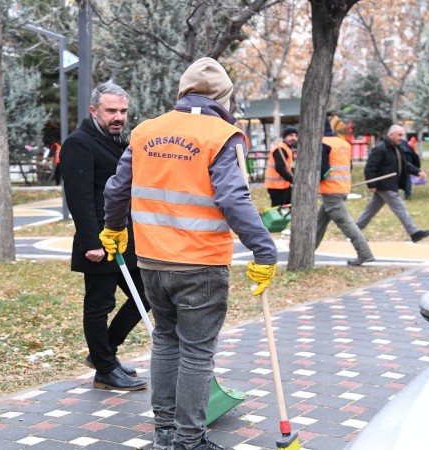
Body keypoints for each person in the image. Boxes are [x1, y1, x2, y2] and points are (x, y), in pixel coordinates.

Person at [99, 57, 278, 450]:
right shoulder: (222, 134)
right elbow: (233, 198)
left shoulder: (146, 131)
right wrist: (264, 250)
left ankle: (165, 431)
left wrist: (113, 228)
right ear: (224, 96)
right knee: (196, 352)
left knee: (165, 340)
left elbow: (116, 190)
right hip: (200, 263)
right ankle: (189, 440)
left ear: (182, 92)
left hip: (152, 261)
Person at [59, 82, 149, 391]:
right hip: (98, 238)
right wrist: (91, 243)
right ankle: (105, 369)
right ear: (94, 110)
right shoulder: (78, 144)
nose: (118, 117)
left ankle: (104, 353)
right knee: (99, 304)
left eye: (123, 111)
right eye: (111, 110)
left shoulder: (118, 141)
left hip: (124, 236)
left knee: (146, 293)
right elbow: (79, 198)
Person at [356, 125, 429, 243]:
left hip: (390, 184)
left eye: (402, 135)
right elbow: (370, 168)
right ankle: (414, 232)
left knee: (371, 210)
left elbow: (404, 164)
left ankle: (354, 231)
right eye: (399, 135)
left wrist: (417, 171)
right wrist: (372, 185)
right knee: (400, 208)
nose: (401, 138)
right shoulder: (380, 148)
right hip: (384, 185)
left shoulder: (397, 148)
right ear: (390, 135)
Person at [315, 119, 375, 266]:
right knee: (319, 222)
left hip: (330, 189)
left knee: (346, 223)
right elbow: (350, 166)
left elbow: (322, 169)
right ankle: (308, 250)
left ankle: (364, 253)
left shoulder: (323, 143)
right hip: (342, 187)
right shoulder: (343, 143)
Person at [264, 126, 297, 207]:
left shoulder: (287, 148)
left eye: (295, 135)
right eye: (291, 135)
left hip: (284, 185)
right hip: (276, 186)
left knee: (287, 208)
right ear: (284, 137)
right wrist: (292, 180)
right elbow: (280, 168)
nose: (294, 138)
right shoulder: (280, 149)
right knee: (277, 211)